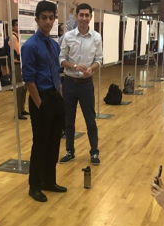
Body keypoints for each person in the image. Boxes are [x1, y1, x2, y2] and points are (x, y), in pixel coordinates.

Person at [21, 1, 67, 203]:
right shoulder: (30, 46)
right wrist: (39, 103)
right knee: (40, 144)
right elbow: (28, 79)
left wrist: (60, 97)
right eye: (44, 18)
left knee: (54, 142)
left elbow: (56, 72)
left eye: (51, 18)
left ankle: (49, 180)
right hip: (41, 100)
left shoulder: (54, 44)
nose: (48, 22)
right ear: (37, 19)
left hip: (55, 97)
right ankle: (35, 185)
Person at [59, 3, 103, 166]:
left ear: (91, 17)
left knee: (90, 120)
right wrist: (75, 66)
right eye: (81, 15)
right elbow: (61, 59)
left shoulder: (96, 37)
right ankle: (69, 151)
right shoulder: (68, 36)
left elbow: (99, 60)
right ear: (76, 16)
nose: (84, 18)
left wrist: (91, 68)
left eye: (87, 15)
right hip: (70, 83)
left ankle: (94, 152)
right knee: (68, 120)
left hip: (86, 84)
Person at [8, 19, 29, 120]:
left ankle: (22, 108)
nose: (18, 26)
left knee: (24, 88)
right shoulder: (13, 37)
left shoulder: (19, 36)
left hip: (22, 64)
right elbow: (18, 50)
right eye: (16, 25)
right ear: (12, 26)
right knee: (18, 88)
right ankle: (17, 111)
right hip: (16, 65)